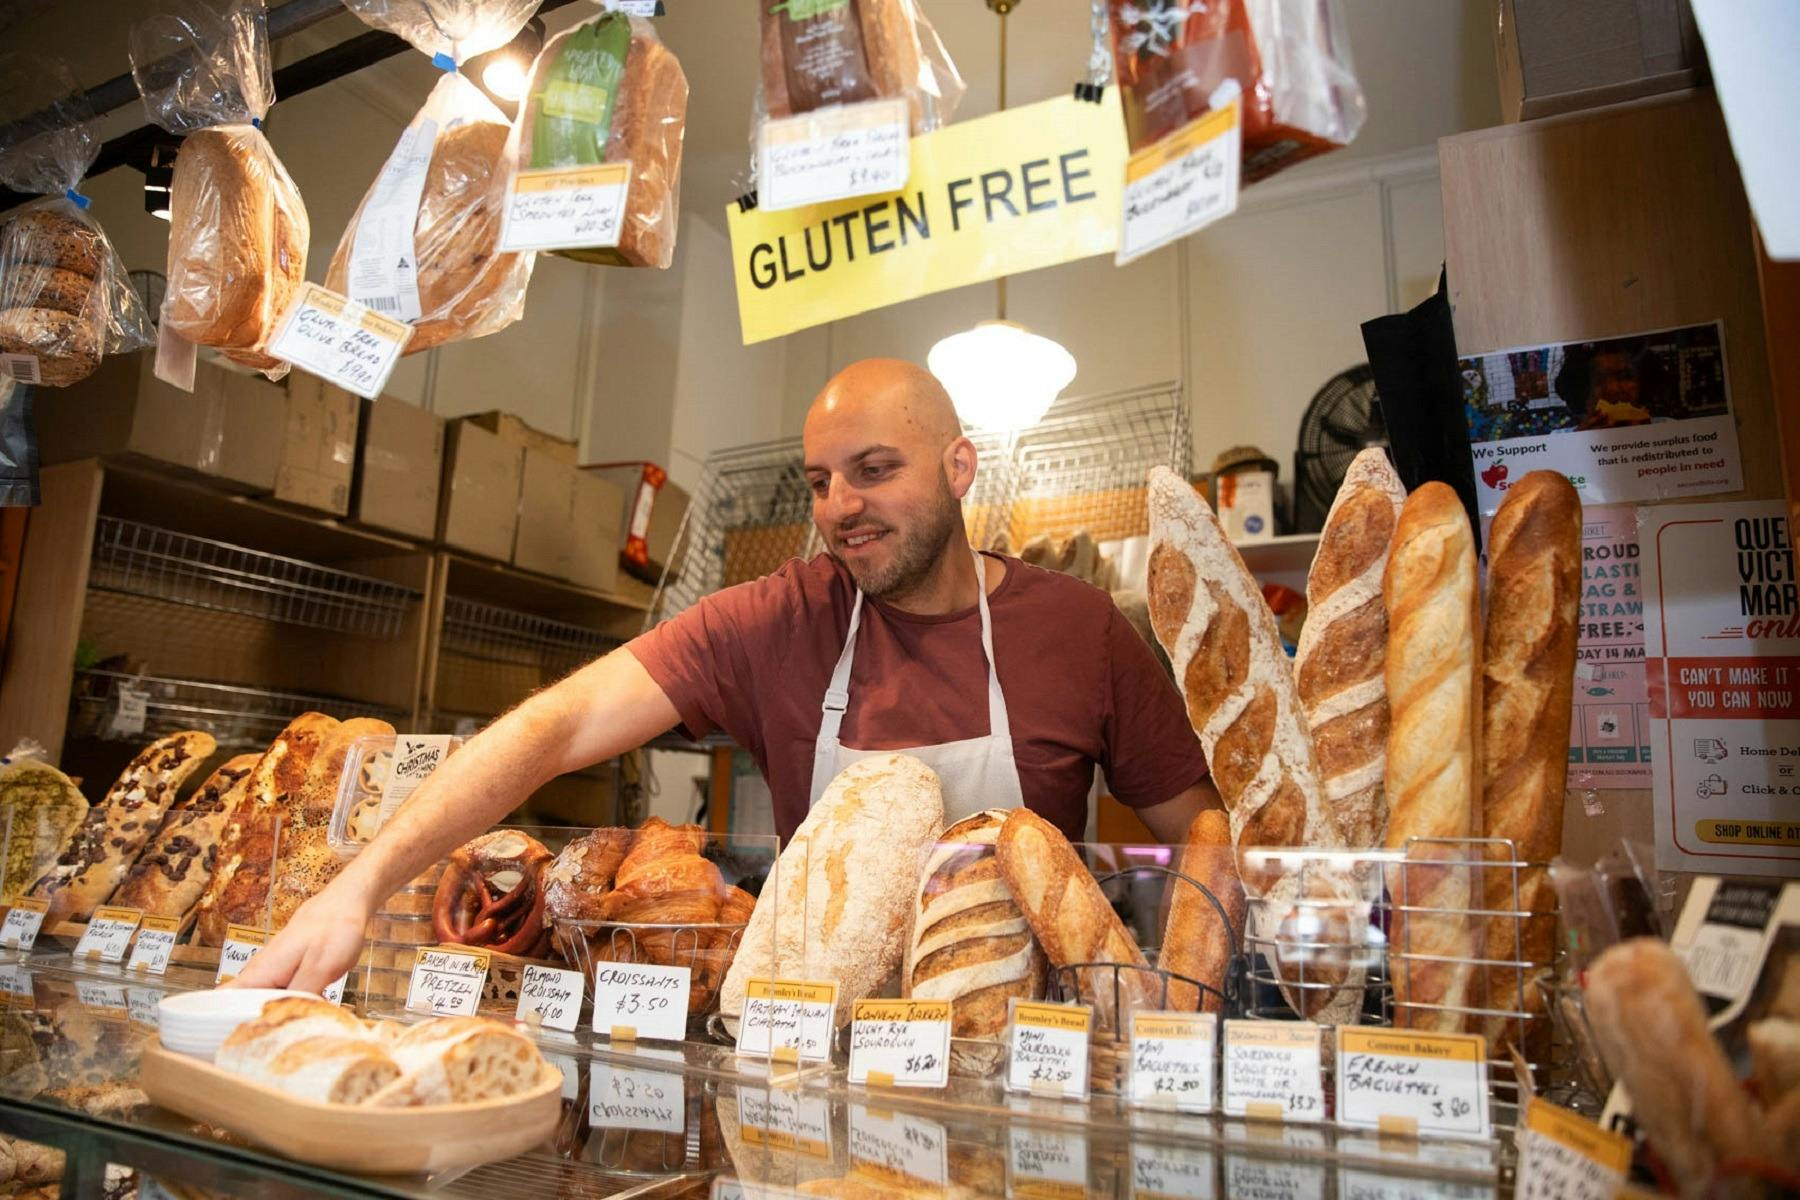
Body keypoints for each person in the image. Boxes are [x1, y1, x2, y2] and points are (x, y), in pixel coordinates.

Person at [236, 358, 1219, 992]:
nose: (842, 507)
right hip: (812, 1063)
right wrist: (358, 888)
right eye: (821, 482)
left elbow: (1207, 841)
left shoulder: (1077, 629)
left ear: (960, 467)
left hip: (1022, 1071)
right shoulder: (783, 619)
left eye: (875, 470)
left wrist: (1185, 1008)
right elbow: (556, 727)